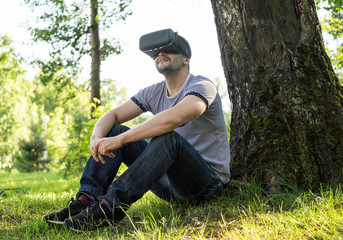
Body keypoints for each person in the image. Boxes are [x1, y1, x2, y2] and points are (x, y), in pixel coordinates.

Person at [44, 29, 231, 231]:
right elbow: (112, 116)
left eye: (168, 49)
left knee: (168, 138)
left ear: (186, 58)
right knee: (114, 130)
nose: (160, 54)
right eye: (155, 52)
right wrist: (97, 138)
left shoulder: (203, 86)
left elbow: (175, 118)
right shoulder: (153, 92)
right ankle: (86, 200)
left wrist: (122, 140)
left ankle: (109, 209)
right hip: (169, 184)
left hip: (205, 185)